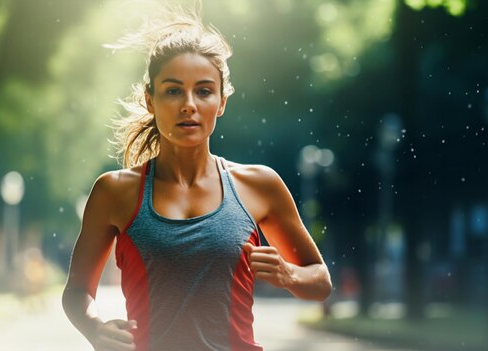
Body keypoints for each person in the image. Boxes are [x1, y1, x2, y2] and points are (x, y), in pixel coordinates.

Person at [62, 7, 331, 351]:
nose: (188, 105)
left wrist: (289, 275)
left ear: (221, 101)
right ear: (150, 99)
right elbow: (77, 291)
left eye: (204, 91)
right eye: (173, 91)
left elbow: (320, 280)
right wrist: (93, 327)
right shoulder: (115, 191)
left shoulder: (259, 185)